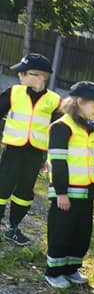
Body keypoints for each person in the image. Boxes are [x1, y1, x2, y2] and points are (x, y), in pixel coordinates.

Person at [45, 81, 94, 288]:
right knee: (61, 232)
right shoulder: (61, 128)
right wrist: (61, 193)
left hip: (86, 193)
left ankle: (71, 268)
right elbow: (58, 162)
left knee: (81, 233)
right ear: (80, 102)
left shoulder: (93, 129)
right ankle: (54, 272)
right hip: (66, 193)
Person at [0, 53, 61, 245]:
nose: (19, 76)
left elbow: (62, 128)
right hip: (13, 150)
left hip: (35, 153)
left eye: (23, 72)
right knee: (2, 186)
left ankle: (13, 228)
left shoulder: (55, 101)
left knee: (25, 192)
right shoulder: (13, 92)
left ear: (39, 76)